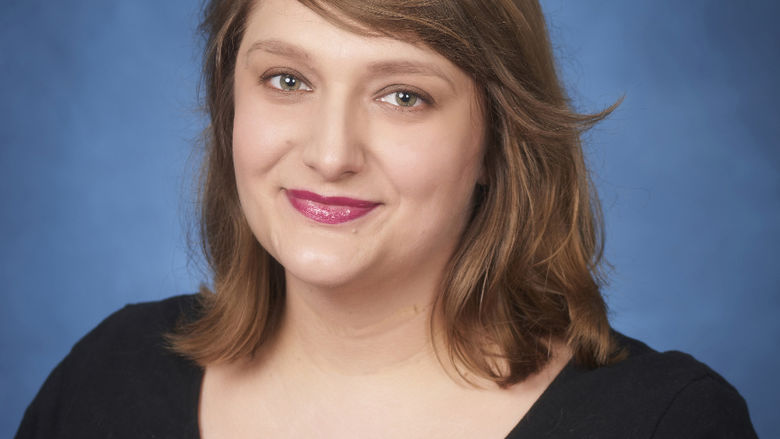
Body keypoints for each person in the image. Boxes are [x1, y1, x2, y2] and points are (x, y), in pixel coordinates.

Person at [16, 0, 757, 437]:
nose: (331, 154)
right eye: (287, 79)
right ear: (229, 104)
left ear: (499, 140)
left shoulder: (665, 423)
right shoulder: (106, 379)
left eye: (403, 94)